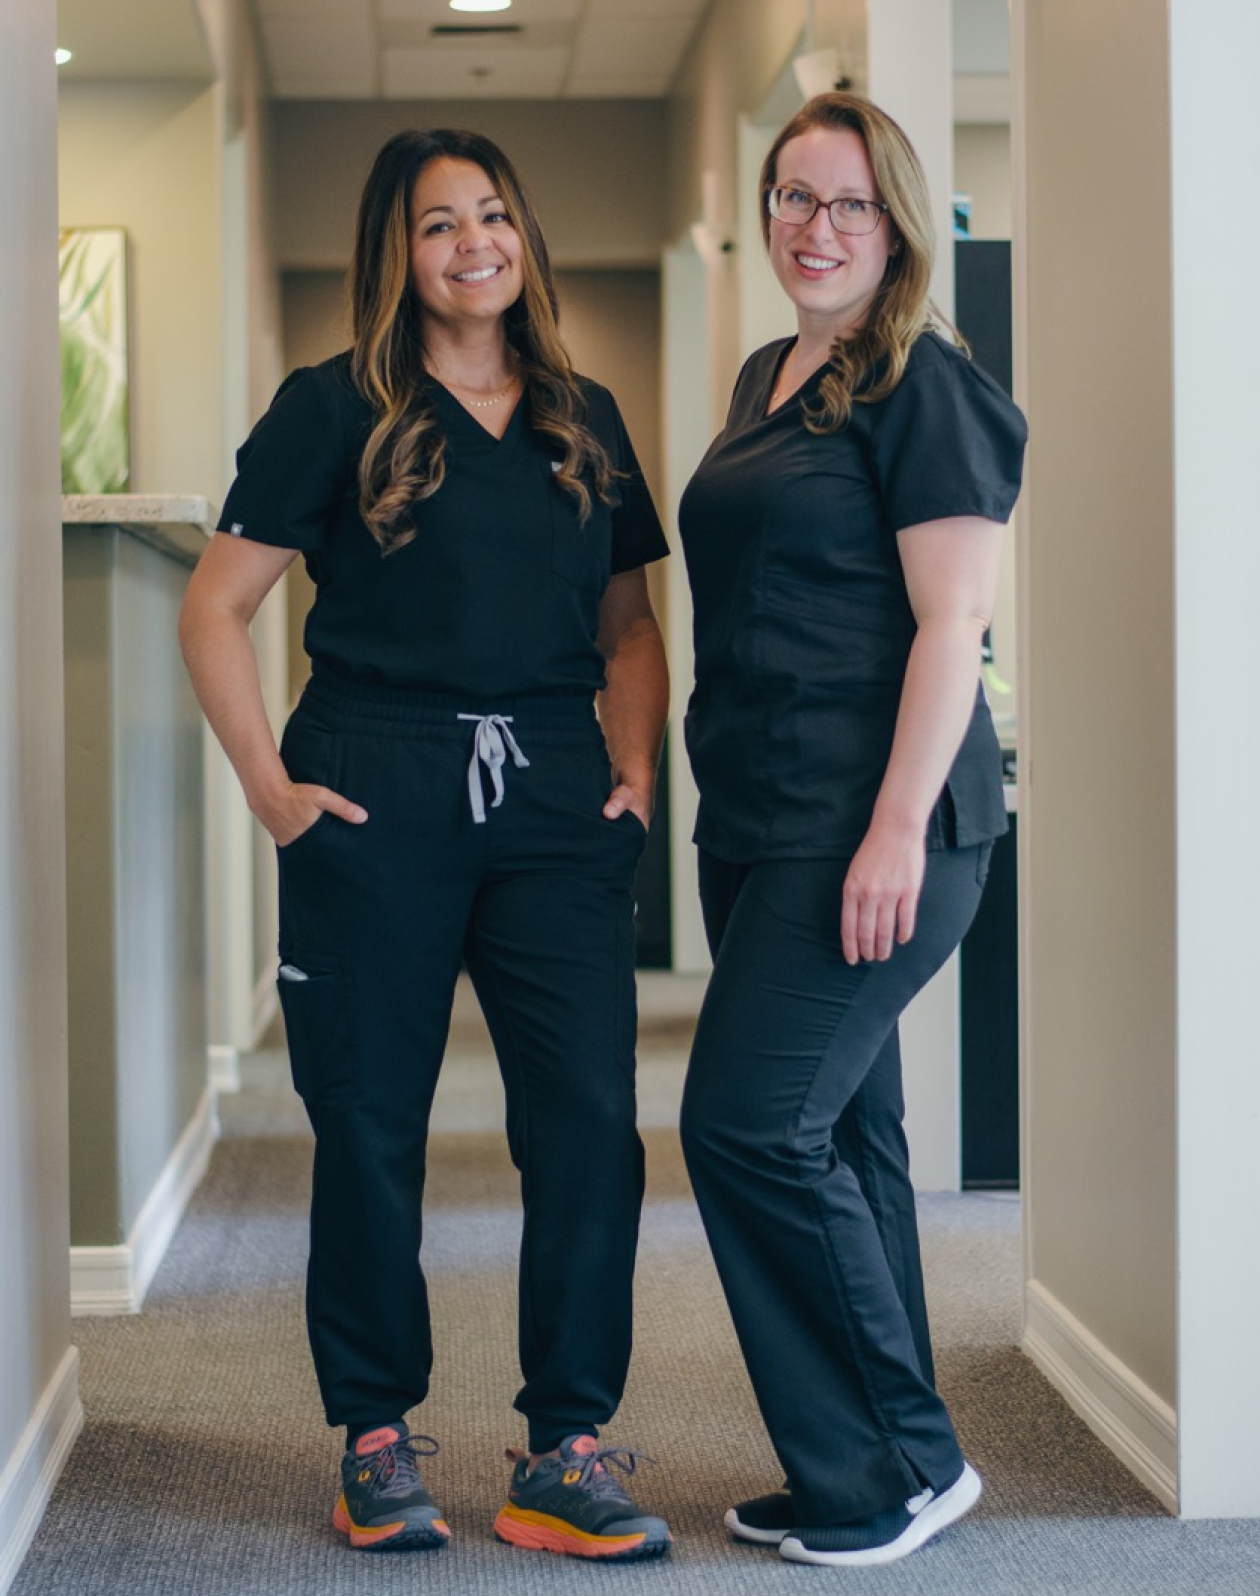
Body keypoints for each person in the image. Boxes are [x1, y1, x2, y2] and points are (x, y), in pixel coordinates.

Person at [179, 127, 672, 1563]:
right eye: (440, 222)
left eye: (493, 214)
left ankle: (564, 1447)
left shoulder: (584, 416)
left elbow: (630, 624)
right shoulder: (331, 407)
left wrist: (637, 768)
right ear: (396, 253)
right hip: (374, 779)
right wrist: (271, 788)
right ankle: (375, 1438)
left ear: (525, 236)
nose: (474, 244)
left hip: (554, 793)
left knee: (586, 1120)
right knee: (370, 1120)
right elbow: (216, 608)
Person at [677, 92, 1027, 1569]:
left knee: (745, 1126)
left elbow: (954, 624)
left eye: (849, 203)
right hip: (760, 819)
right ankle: (855, 1464)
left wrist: (892, 830)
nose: (815, 228)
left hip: (872, 826)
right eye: (792, 197)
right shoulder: (769, 374)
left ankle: (907, 1461)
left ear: (895, 224)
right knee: (847, 1137)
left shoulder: (922, 383)